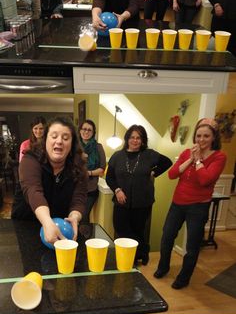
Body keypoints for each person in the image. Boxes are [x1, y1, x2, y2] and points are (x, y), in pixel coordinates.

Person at [154, 117, 226, 289]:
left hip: (198, 206)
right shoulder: (187, 153)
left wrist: (199, 160)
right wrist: (191, 159)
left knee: (192, 245)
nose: (201, 140)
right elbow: (172, 174)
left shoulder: (219, 157)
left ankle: (184, 277)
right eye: (198, 136)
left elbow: (205, 180)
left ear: (213, 138)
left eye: (206, 136)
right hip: (178, 203)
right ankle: (163, 267)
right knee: (167, 237)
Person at [11, 116, 88, 245]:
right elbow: (33, 191)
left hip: (60, 227)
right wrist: (47, 221)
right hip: (27, 226)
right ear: (45, 140)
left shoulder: (79, 167)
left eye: (65, 138)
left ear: (72, 144)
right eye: (54, 136)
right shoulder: (29, 159)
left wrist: (75, 216)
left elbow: (79, 198)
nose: (59, 141)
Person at [106, 124, 172, 264]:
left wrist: (154, 172)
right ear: (127, 138)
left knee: (138, 230)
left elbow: (167, 162)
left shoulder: (149, 154)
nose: (135, 140)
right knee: (121, 228)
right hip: (121, 201)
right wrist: (117, 190)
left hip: (142, 201)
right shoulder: (117, 156)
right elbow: (109, 177)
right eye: (132, 137)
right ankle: (143, 249)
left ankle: (135, 258)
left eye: (138, 138)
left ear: (142, 140)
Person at [78, 119, 106, 222]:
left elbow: (102, 169)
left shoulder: (98, 147)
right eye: (84, 129)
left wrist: (88, 173)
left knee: (84, 217)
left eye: (89, 130)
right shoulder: (74, 146)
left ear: (93, 132)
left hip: (90, 189)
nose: (86, 132)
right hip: (74, 188)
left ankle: (86, 238)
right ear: (80, 131)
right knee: (73, 216)